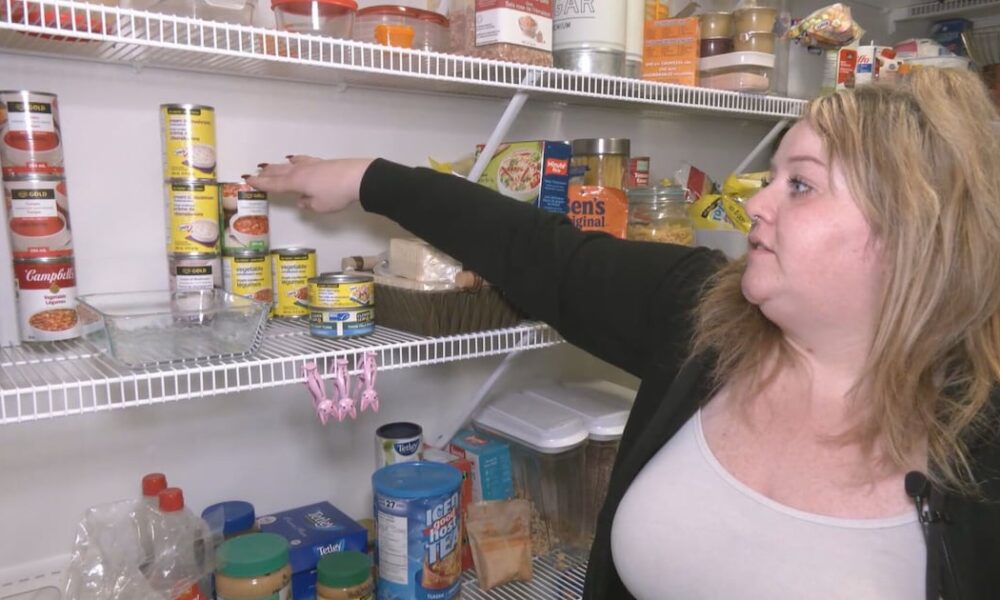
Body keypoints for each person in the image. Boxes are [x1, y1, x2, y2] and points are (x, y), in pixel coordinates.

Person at [248, 67, 1000, 600]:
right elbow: (539, 252)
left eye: (799, 184)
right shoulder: (702, 314)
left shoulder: (983, 442)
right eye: (771, 176)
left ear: (915, 234)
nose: (757, 205)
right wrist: (368, 177)